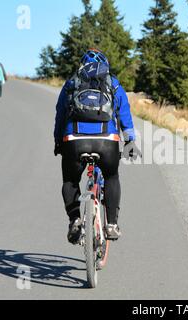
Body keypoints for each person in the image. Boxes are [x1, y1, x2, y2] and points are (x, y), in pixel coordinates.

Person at [54, 49, 141, 244]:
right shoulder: (113, 82)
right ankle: (111, 225)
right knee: (111, 176)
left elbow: (60, 114)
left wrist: (58, 140)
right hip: (107, 140)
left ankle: (75, 219)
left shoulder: (71, 82)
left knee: (70, 180)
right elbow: (124, 114)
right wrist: (130, 141)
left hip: (74, 140)